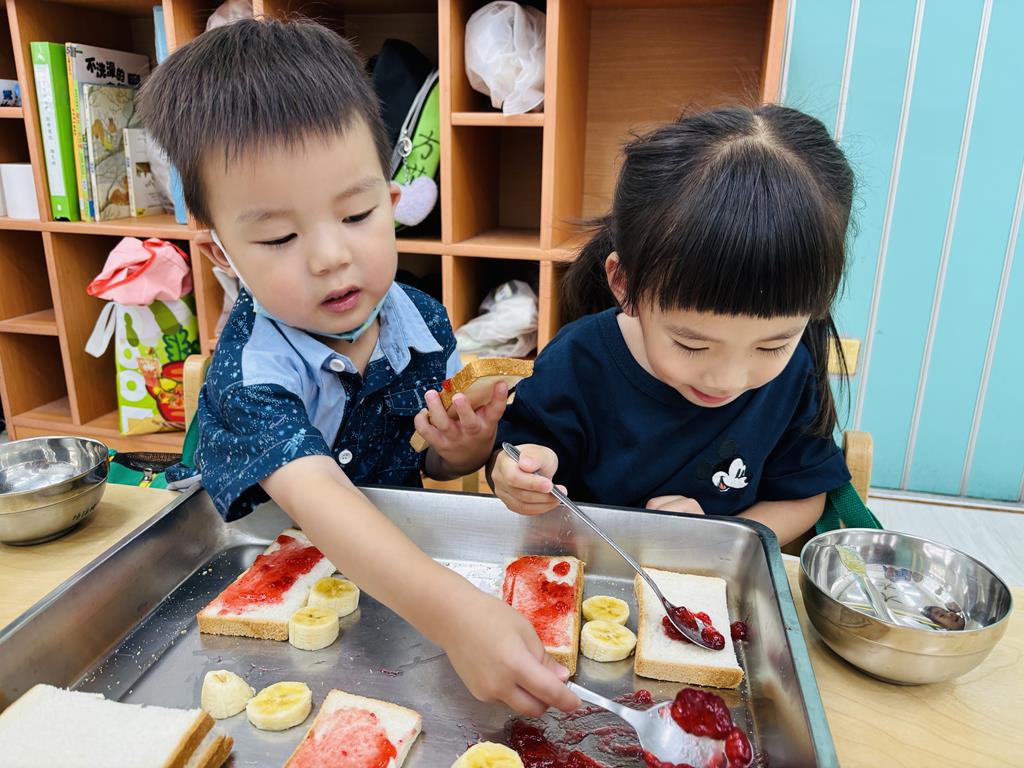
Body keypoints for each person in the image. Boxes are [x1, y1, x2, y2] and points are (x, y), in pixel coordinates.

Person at [140, 18, 578, 716]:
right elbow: (317, 497)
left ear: (393, 202)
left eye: (355, 215)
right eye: (279, 236)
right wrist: (456, 615)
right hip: (257, 572)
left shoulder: (424, 324)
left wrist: (463, 449)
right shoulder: (250, 367)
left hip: (388, 586)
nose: (330, 257)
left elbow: (429, 467)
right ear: (223, 254)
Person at [490, 105, 854, 547]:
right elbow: (517, 454)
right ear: (624, 284)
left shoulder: (794, 375)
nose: (727, 380)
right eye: (692, 345)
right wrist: (520, 474)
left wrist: (713, 539)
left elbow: (803, 498)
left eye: (771, 346)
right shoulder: (577, 362)